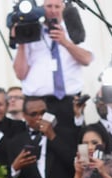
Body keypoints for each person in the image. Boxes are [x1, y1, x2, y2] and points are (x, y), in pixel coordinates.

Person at [12, 0, 92, 136]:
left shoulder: (73, 30)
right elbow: (20, 74)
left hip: (69, 101)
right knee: (41, 145)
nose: (53, 10)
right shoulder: (30, 30)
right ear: (42, 8)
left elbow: (86, 59)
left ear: (63, 8)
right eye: (49, 6)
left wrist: (65, 42)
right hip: (38, 103)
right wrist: (21, 40)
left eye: (57, 6)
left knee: (71, 141)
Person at [2, 95, 75, 178]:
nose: (40, 117)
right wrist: (15, 168)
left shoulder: (65, 134)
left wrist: (52, 137)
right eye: (34, 114)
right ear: (24, 116)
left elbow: (74, 163)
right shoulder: (15, 142)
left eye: (43, 113)